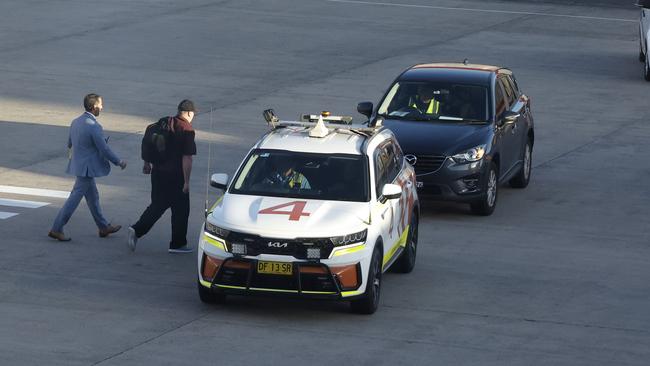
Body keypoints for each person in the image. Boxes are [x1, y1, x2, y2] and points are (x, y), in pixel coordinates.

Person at [48, 93, 127, 241]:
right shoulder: (94, 126)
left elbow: (69, 143)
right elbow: (104, 149)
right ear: (94, 107)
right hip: (87, 168)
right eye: (101, 105)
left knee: (93, 197)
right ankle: (57, 228)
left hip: (79, 166)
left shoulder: (75, 121)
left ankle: (103, 227)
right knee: (74, 198)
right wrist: (119, 161)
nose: (102, 107)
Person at [128, 100, 197, 253]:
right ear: (189, 113)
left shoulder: (164, 121)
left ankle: (138, 230)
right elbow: (187, 158)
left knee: (158, 205)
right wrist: (186, 182)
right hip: (175, 176)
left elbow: (149, 141)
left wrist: (147, 163)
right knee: (181, 209)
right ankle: (176, 244)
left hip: (158, 173)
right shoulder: (186, 128)